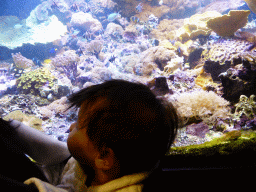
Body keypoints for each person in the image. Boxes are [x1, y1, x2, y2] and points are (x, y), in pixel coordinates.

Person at [0, 79, 179, 191]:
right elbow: (63, 161)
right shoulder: (99, 165)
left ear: (103, 156)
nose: (71, 127)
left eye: (78, 124)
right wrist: (12, 130)